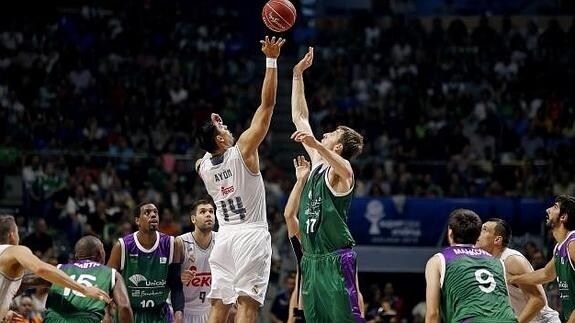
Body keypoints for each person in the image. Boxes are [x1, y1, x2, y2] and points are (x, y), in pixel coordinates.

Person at [195, 36, 285, 323]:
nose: (230, 130)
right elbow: (267, 105)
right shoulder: (243, 150)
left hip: (225, 238)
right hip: (250, 234)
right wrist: (271, 59)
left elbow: (207, 151)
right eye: (224, 129)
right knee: (247, 304)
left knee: (219, 305)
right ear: (221, 139)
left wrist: (215, 130)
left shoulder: (202, 166)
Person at [290, 47, 365, 322]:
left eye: (331, 133)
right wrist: (297, 75)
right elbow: (300, 116)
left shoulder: (341, 173)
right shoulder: (319, 162)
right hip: (310, 261)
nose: (324, 132)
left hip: (336, 260)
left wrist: (315, 146)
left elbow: (345, 168)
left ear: (339, 145)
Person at [0, 215, 111, 321]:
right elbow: (41, 269)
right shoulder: (16, 250)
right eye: (18, 233)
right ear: (12, 235)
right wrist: (84, 289)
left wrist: (3, 310)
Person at [424, 209, 517, 322]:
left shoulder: (438, 260)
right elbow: (507, 305)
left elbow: (433, 314)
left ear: (450, 232)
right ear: (477, 235)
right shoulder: (497, 262)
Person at [107, 202, 185, 323]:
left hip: (160, 314)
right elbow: (108, 282)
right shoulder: (122, 246)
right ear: (137, 221)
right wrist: (106, 313)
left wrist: (178, 312)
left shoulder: (171, 244)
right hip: (130, 314)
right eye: (147, 213)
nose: (153, 215)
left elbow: (176, 284)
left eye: (155, 212)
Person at [476, 218, 560, 323]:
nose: (478, 232)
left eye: (484, 229)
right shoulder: (487, 263)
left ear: (497, 240)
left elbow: (538, 300)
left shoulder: (511, 259)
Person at [509, 195, 575, 322]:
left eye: (555, 207)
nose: (548, 210)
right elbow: (546, 274)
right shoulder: (560, 247)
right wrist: (513, 279)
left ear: (563, 217)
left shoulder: (573, 243)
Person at [41, 235, 133, 323]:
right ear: (100, 253)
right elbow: (124, 307)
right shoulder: (111, 273)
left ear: (76, 256)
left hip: (53, 319)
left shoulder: (59, 269)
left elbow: (27, 280)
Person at [179, 199, 217, 323]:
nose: (208, 214)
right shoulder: (180, 242)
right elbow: (167, 278)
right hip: (185, 310)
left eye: (211, 211)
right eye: (203, 211)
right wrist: (179, 277)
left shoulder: (222, 241)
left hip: (211, 310)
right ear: (193, 219)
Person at [282, 156, 309, 323]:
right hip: (304, 311)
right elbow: (289, 215)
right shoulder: (305, 242)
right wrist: (300, 181)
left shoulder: (337, 247)